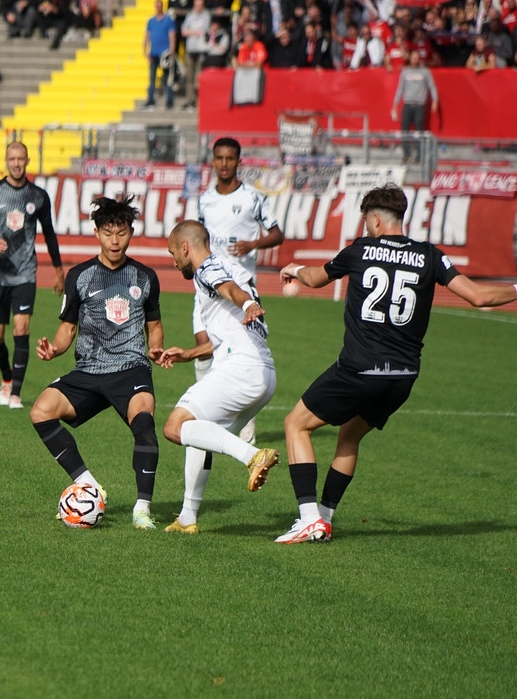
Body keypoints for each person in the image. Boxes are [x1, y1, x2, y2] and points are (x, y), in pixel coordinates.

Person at [274, 184, 517, 544]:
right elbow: (479, 297)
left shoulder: (360, 249)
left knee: (295, 424)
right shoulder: (430, 255)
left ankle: (309, 518)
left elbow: (314, 278)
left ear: (374, 219)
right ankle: (324, 519)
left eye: (365, 220)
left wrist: (294, 267)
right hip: (403, 377)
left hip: (359, 369)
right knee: (350, 435)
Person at [29, 195, 164, 530]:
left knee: (144, 423)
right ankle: (88, 484)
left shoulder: (145, 277)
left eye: (121, 233)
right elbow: (68, 328)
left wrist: (155, 349)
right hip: (88, 370)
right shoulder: (80, 276)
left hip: (130, 368)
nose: (114, 240)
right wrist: (54, 350)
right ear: (96, 233)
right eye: (108, 233)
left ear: (131, 232)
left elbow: (154, 326)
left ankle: (142, 510)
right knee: (41, 411)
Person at [159, 221, 279, 534]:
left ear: (185, 247)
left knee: (175, 427)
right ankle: (187, 518)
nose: (174, 261)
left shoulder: (207, 268)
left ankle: (253, 456)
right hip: (263, 372)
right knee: (199, 434)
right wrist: (190, 353)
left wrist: (248, 303)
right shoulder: (233, 267)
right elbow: (233, 324)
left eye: (173, 253)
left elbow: (228, 289)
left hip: (240, 369)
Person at [196, 137, 283, 444]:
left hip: (240, 286)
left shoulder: (252, 198)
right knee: (203, 350)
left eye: (230, 158)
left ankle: (245, 421)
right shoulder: (204, 200)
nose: (224, 164)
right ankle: (206, 417)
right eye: (219, 158)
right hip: (208, 285)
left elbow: (277, 234)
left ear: (238, 161)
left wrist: (252, 244)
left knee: (238, 352)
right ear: (213, 161)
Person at [0, 141, 63, 410]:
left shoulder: (38, 196)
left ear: (27, 161)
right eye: (12, 159)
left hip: (25, 273)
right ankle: (7, 376)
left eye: (20, 159)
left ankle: (16, 394)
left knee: (22, 329)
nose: (16, 163)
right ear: (6, 161)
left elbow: (49, 234)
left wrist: (59, 271)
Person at [391, 50, 439, 164]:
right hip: (407, 105)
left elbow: (432, 87)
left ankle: (419, 155)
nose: (415, 60)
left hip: (420, 106)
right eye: (413, 58)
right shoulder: (405, 72)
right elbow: (400, 88)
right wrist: (395, 104)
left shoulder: (425, 72)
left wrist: (435, 101)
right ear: (410, 59)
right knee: (405, 131)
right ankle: (406, 155)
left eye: (417, 58)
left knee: (419, 131)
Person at [143, 0, 176, 110]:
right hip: (154, 53)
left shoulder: (168, 20)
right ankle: (150, 99)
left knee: (167, 78)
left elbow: (172, 36)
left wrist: (171, 52)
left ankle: (169, 100)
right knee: (152, 78)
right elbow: (147, 36)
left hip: (164, 53)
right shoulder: (151, 21)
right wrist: (145, 51)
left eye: (160, 6)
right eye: (157, 6)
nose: (158, 8)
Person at [179, 0, 210, 110]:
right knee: (189, 77)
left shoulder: (206, 15)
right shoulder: (190, 15)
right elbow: (184, 31)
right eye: (196, 5)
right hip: (190, 49)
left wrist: (190, 32)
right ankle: (190, 100)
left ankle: (200, 99)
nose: (198, 7)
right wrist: (196, 32)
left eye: (200, 5)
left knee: (199, 76)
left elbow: (204, 31)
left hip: (200, 49)